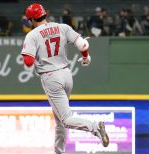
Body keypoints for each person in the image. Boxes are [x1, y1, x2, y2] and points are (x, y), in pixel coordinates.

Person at [21, 3, 109, 153]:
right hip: (67, 75)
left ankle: (95, 128)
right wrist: (86, 57)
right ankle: (59, 151)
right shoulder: (62, 27)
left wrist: (31, 52)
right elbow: (83, 44)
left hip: (51, 77)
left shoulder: (32, 35)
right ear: (45, 14)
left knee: (66, 120)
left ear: (31, 19)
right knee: (60, 120)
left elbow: (28, 63)